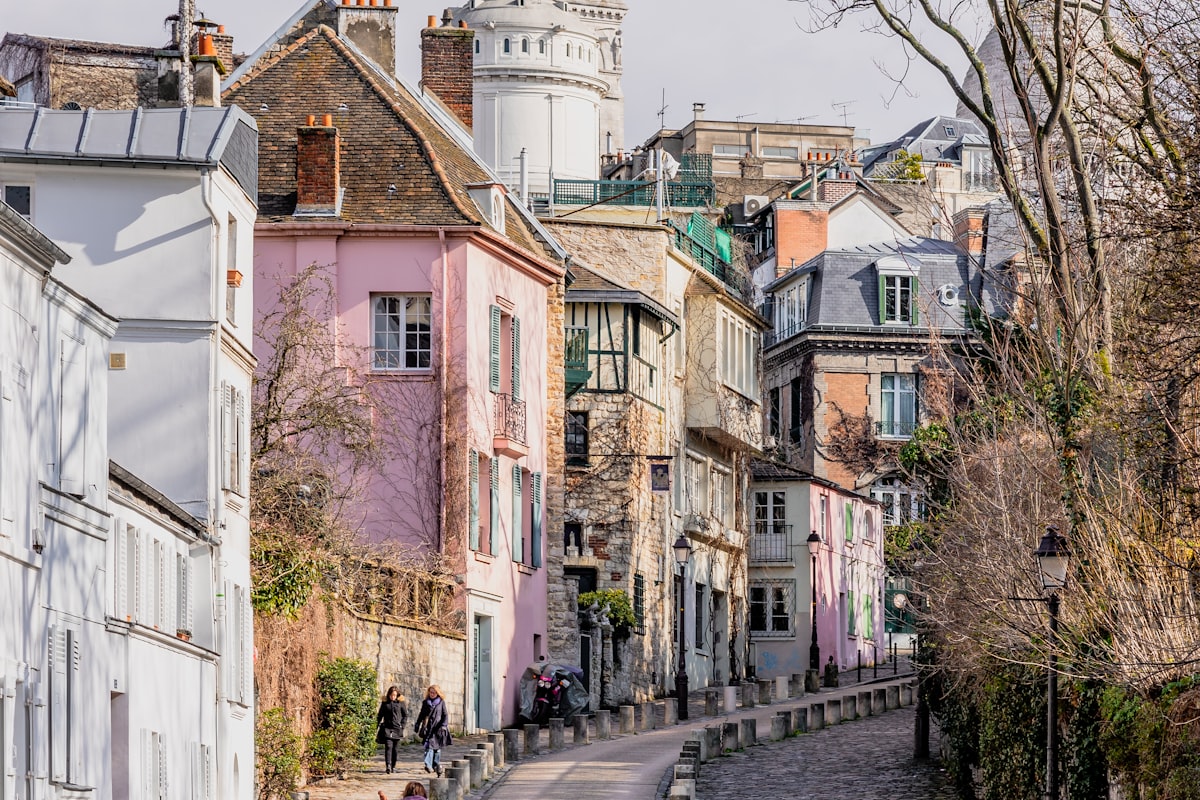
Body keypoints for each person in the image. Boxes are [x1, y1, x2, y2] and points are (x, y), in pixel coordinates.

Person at [414, 684, 452, 777]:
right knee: (429, 747)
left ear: (437, 693)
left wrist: (444, 725)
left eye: (434, 692)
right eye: (430, 692)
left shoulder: (441, 702)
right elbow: (421, 714)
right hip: (429, 728)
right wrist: (418, 724)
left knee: (437, 749)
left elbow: (445, 715)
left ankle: (435, 764)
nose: (432, 694)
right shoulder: (426, 702)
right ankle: (428, 765)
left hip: (438, 728)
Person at [376, 686, 408, 775]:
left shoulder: (401, 703)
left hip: (397, 729)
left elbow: (405, 715)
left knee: (395, 749)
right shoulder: (385, 703)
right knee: (388, 747)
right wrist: (376, 725)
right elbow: (380, 715)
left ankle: (393, 766)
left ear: (397, 695)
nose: (393, 697)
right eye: (391, 695)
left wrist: (402, 725)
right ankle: (388, 766)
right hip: (387, 728)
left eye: (394, 695)